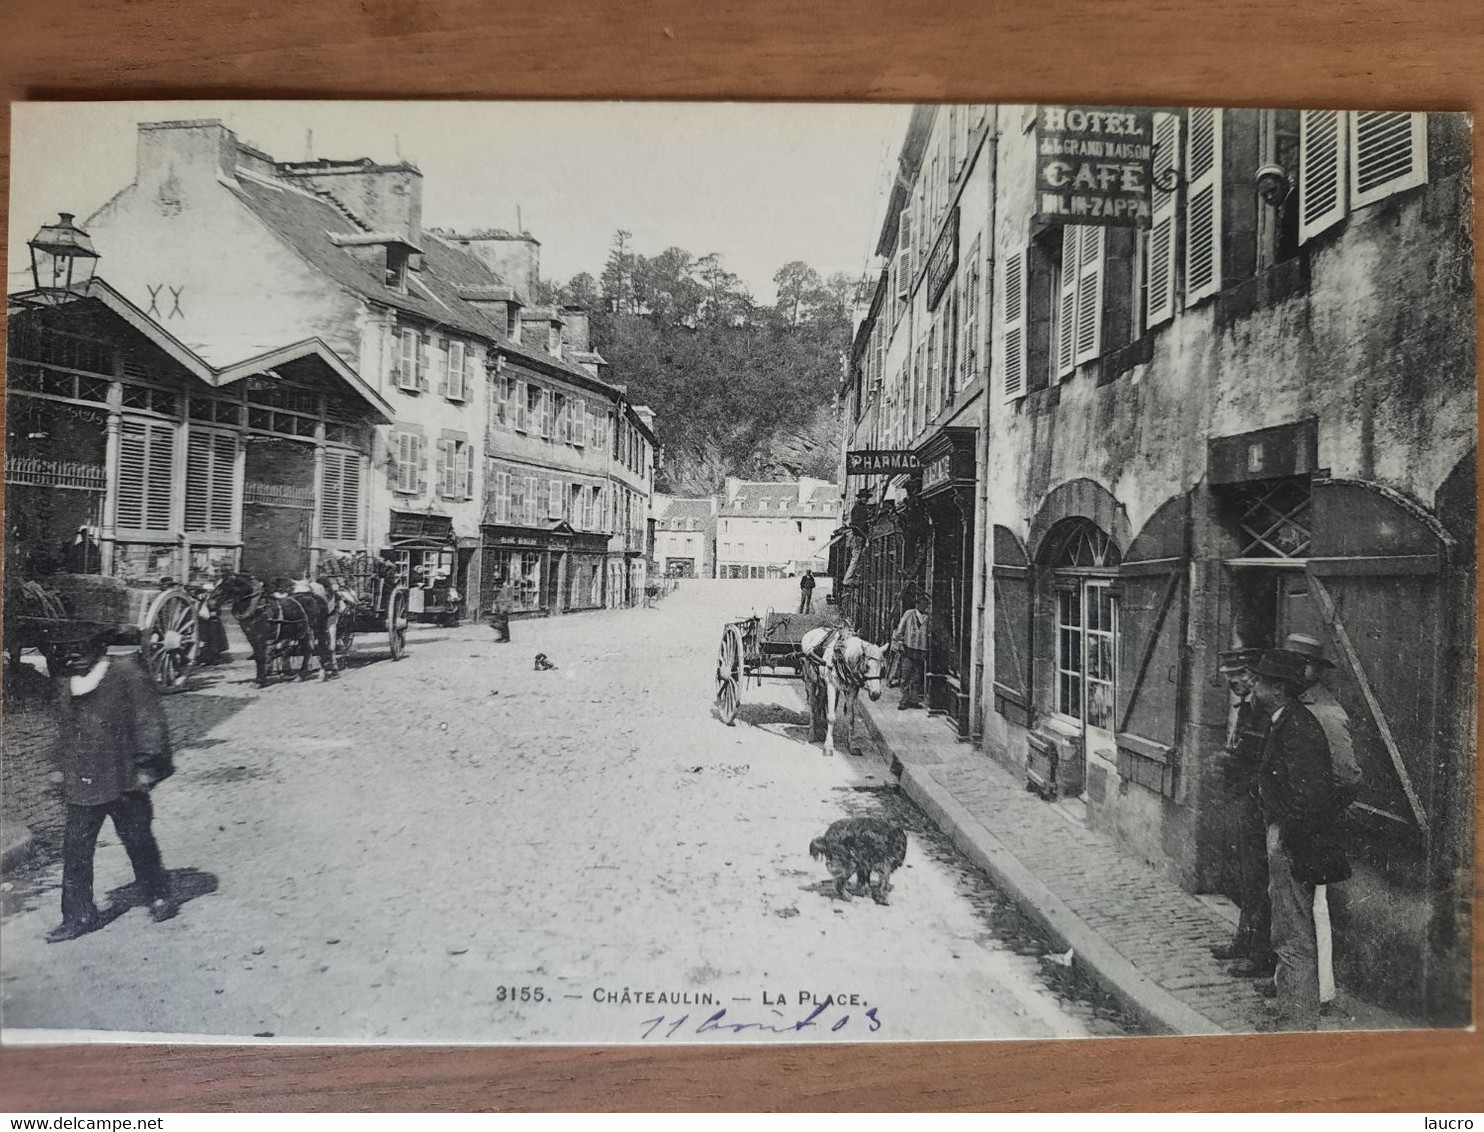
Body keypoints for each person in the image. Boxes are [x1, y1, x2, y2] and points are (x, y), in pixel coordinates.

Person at [42, 621, 177, 943]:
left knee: (137, 838)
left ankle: (158, 893)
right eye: (65, 651)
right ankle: (79, 915)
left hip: (124, 777)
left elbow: (150, 721)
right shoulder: (65, 682)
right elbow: (62, 727)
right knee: (75, 849)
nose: (71, 656)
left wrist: (147, 766)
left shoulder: (126, 672)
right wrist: (59, 766)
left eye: (80, 648)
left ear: (99, 647)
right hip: (83, 778)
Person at [1251, 647, 1350, 1030]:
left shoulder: (1297, 727)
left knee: (1292, 936)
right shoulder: (1286, 721)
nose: (1253, 688)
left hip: (1295, 844)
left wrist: (1283, 837)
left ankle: (1296, 1022)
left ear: (1277, 689)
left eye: (1259, 682)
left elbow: (1310, 796)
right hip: (1290, 838)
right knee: (1288, 931)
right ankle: (1291, 1015)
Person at [1282, 631, 1360, 1012]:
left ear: (1314, 670)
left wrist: (1319, 810)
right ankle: (1297, 983)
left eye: (1301, 665)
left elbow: (1347, 776)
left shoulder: (1326, 712)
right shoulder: (1293, 705)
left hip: (1317, 825)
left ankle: (1323, 992)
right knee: (1297, 909)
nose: (1294, 673)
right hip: (1300, 822)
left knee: (1317, 907)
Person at [1210, 648, 1276, 979]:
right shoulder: (1249, 708)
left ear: (1251, 675)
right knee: (1245, 876)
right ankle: (1243, 940)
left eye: (1235, 676)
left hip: (1256, 804)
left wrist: (1231, 765)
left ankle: (1259, 954)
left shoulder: (1264, 713)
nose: (1231, 682)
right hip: (1243, 801)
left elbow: (1263, 763)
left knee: (1258, 879)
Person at [892, 595, 930, 710]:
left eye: (926, 605)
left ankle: (913, 700)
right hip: (908, 649)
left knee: (917, 677)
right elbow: (900, 628)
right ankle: (903, 701)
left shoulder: (927, 618)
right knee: (905, 676)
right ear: (917, 604)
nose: (924, 607)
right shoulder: (909, 614)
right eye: (922, 604)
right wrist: (900, 642)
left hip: (921, 651)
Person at [488, 574, 514, 643]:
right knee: (501, 623)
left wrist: (504, 609)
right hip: (500, 609)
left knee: (503, 624)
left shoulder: (505, 589)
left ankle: (505, 638)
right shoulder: (502, 589)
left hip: (503, 609)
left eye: (498, 584)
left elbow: (507, 600)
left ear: (501, 583)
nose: (497, 585)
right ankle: (503, 637)